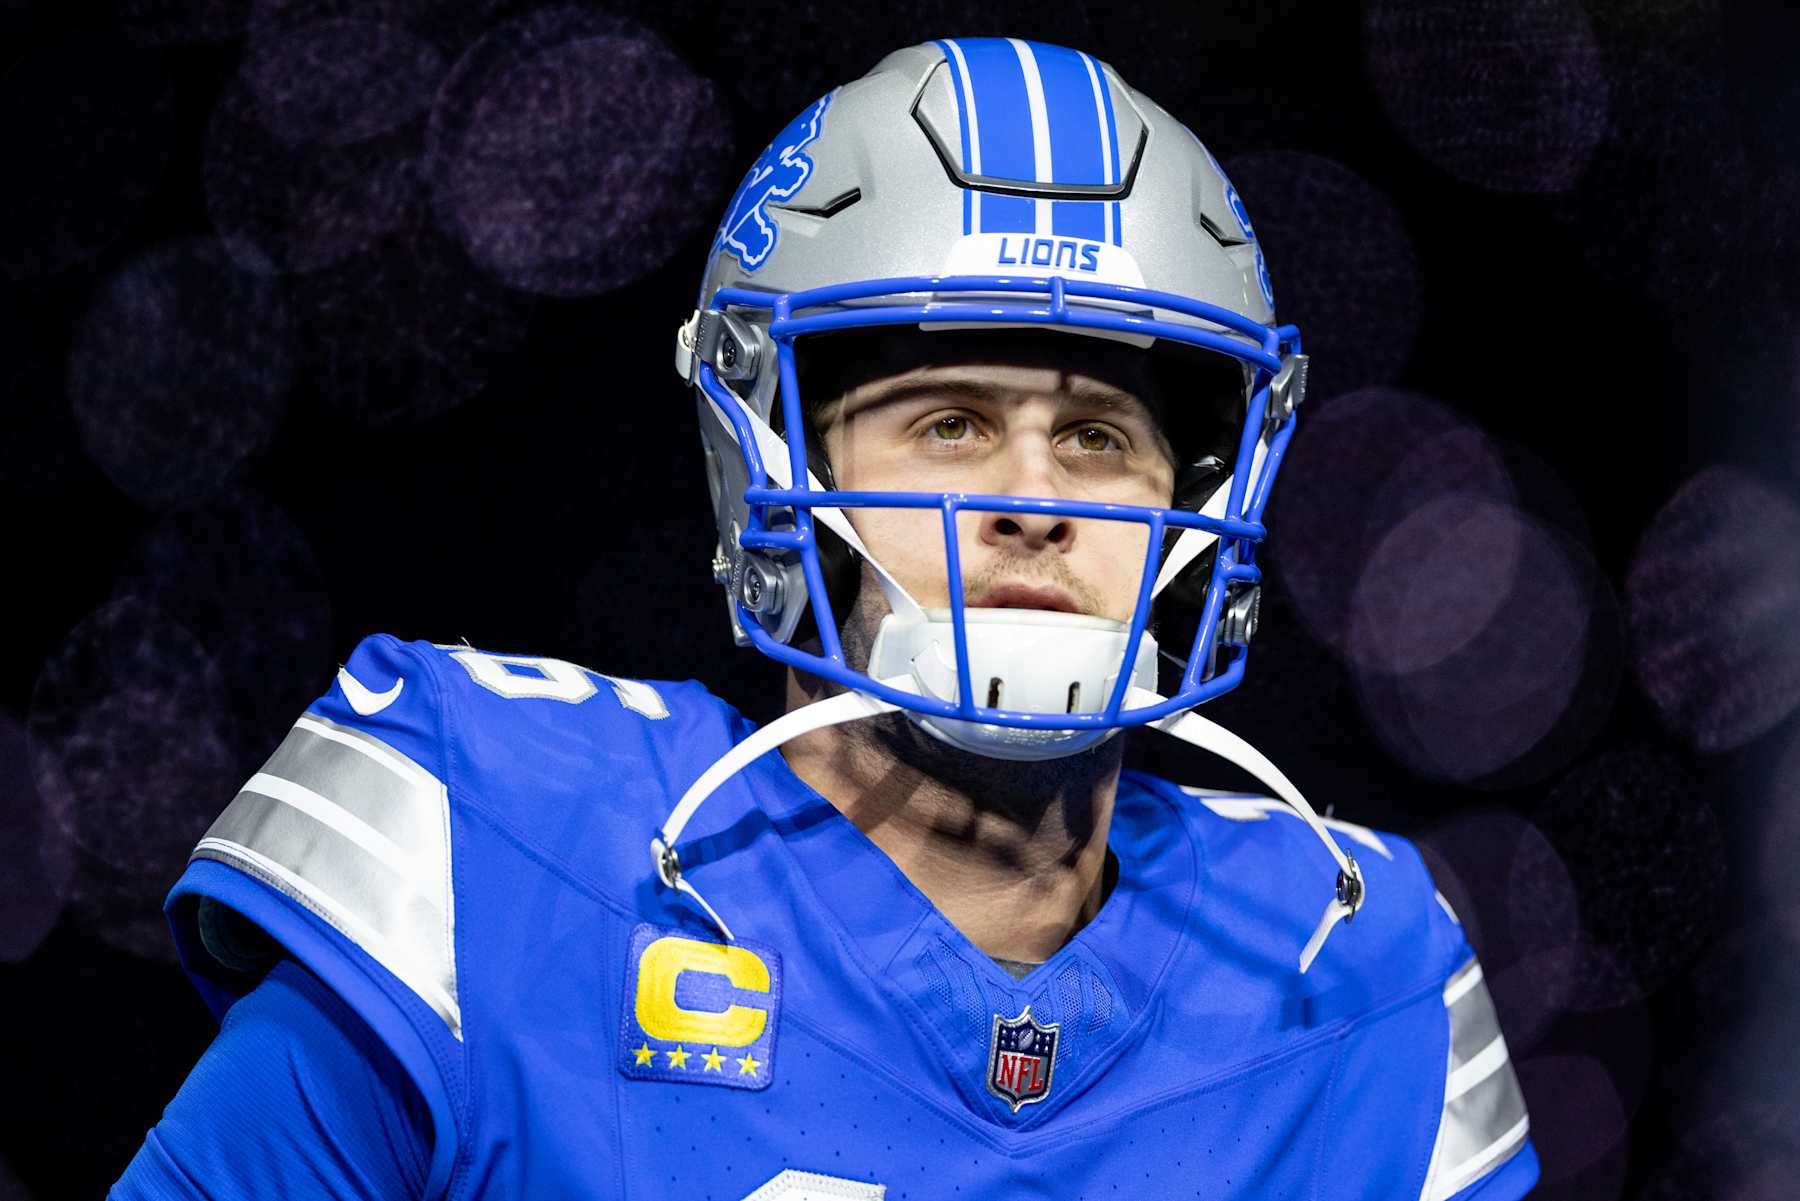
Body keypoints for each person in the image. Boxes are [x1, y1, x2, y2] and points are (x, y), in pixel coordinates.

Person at [112, 38, 1537, 1200]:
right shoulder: (488, 845)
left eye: (1101, 435)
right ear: (777, 468)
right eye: (951, 421)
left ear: (1202, 490)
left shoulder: (1358, 962)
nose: (1036, 499)